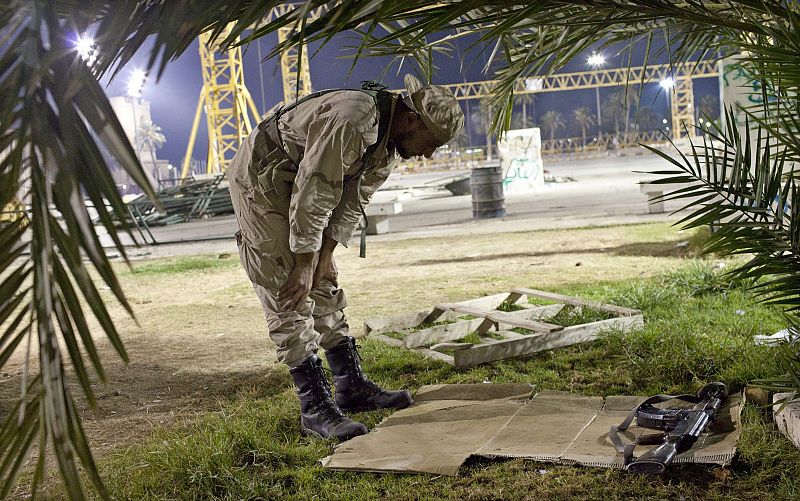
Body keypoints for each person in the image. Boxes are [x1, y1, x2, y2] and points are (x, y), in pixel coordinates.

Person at [228, 74, 465, 441]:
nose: (428, 154)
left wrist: (324, 257)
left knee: (321, 278)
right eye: (431, 143)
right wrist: (305, 264)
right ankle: (314, 409)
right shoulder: (353, 120)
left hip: (302, 177)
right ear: (410, 120)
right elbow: (315, 189)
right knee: (287, 282)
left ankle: (350, 386)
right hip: (263, 178)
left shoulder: (388, 145)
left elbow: (351, 201)